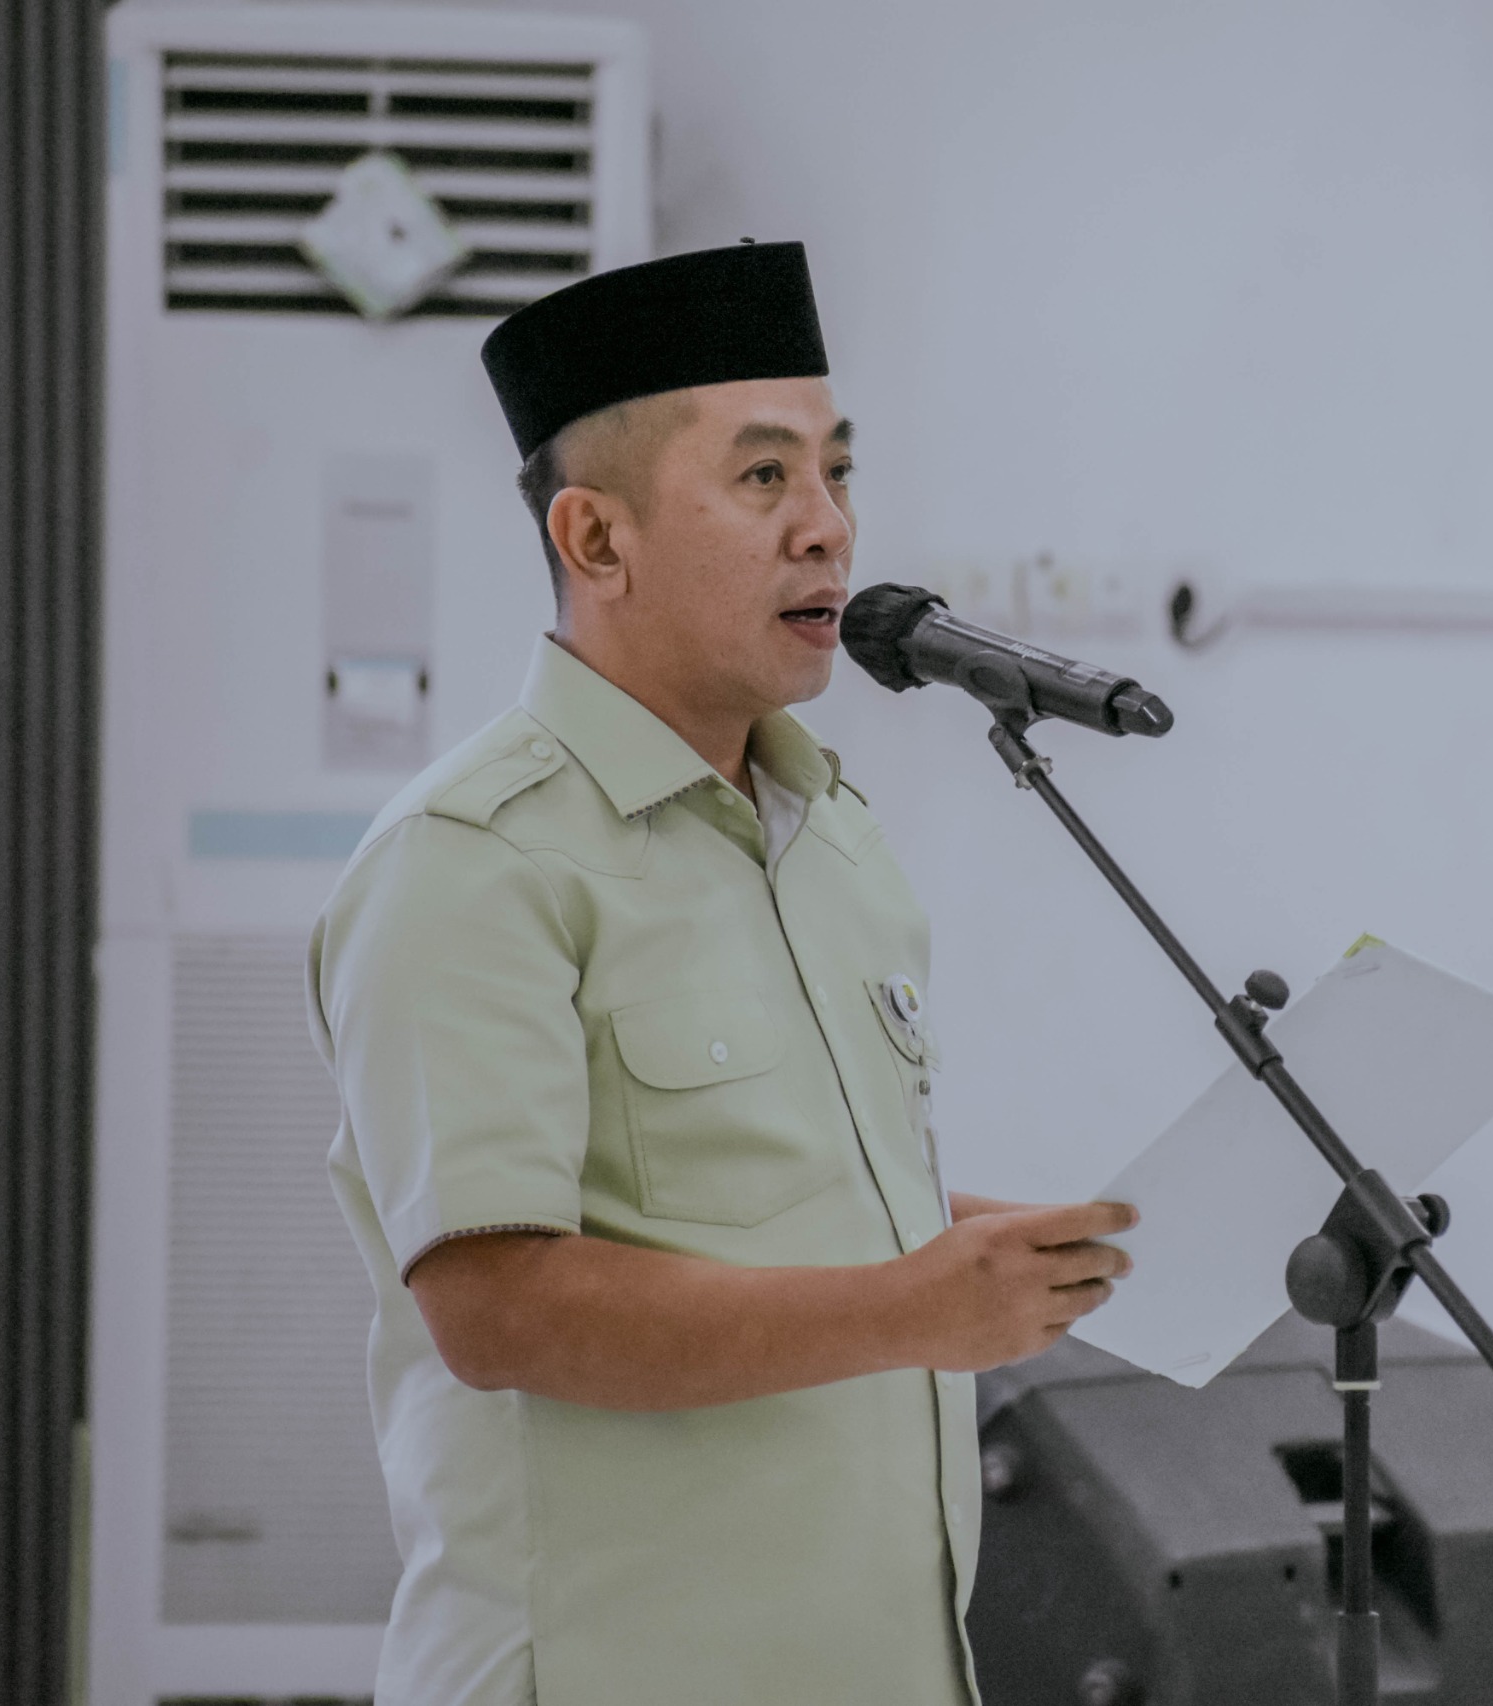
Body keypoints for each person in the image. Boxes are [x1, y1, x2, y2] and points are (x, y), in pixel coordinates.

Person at [307, 241, 1135, 1706]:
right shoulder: (473, 860)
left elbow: (781, 1205)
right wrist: (914, 1306)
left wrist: (1020, 1254)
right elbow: (499, 1307)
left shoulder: (830, 833)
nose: (828, 528)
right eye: (763, 477)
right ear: (596, 539)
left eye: (837, 472)